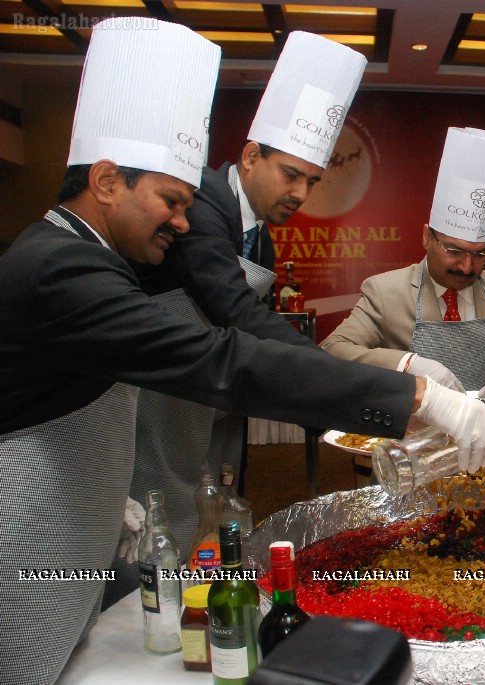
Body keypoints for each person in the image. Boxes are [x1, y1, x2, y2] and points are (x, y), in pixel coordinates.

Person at [0, 21, 485, 685]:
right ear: (105, 180)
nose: (184, 224)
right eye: (171, 201)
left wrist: (111, 494)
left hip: (83, 514)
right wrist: (414, 391)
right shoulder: (59, 269)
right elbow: (225, 356)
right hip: (28, 533)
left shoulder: (82, 256)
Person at [107, 32, 367, 607]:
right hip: (149, 397)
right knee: (146, 528)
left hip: (200, 401)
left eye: (312, 182)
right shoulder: (203, 203)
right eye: (290, 174)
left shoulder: (262, 239)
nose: (300, 193)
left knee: (197, 513)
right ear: (251, 156)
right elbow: (235, 310)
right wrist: (331, 379)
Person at [322, 127, 485, 408]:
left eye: (480, 254)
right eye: (453, 250)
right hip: (411, 442)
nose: (466, 267)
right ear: (427, 237)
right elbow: (333, 350)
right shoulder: (386, 292)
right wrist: (407, 364)